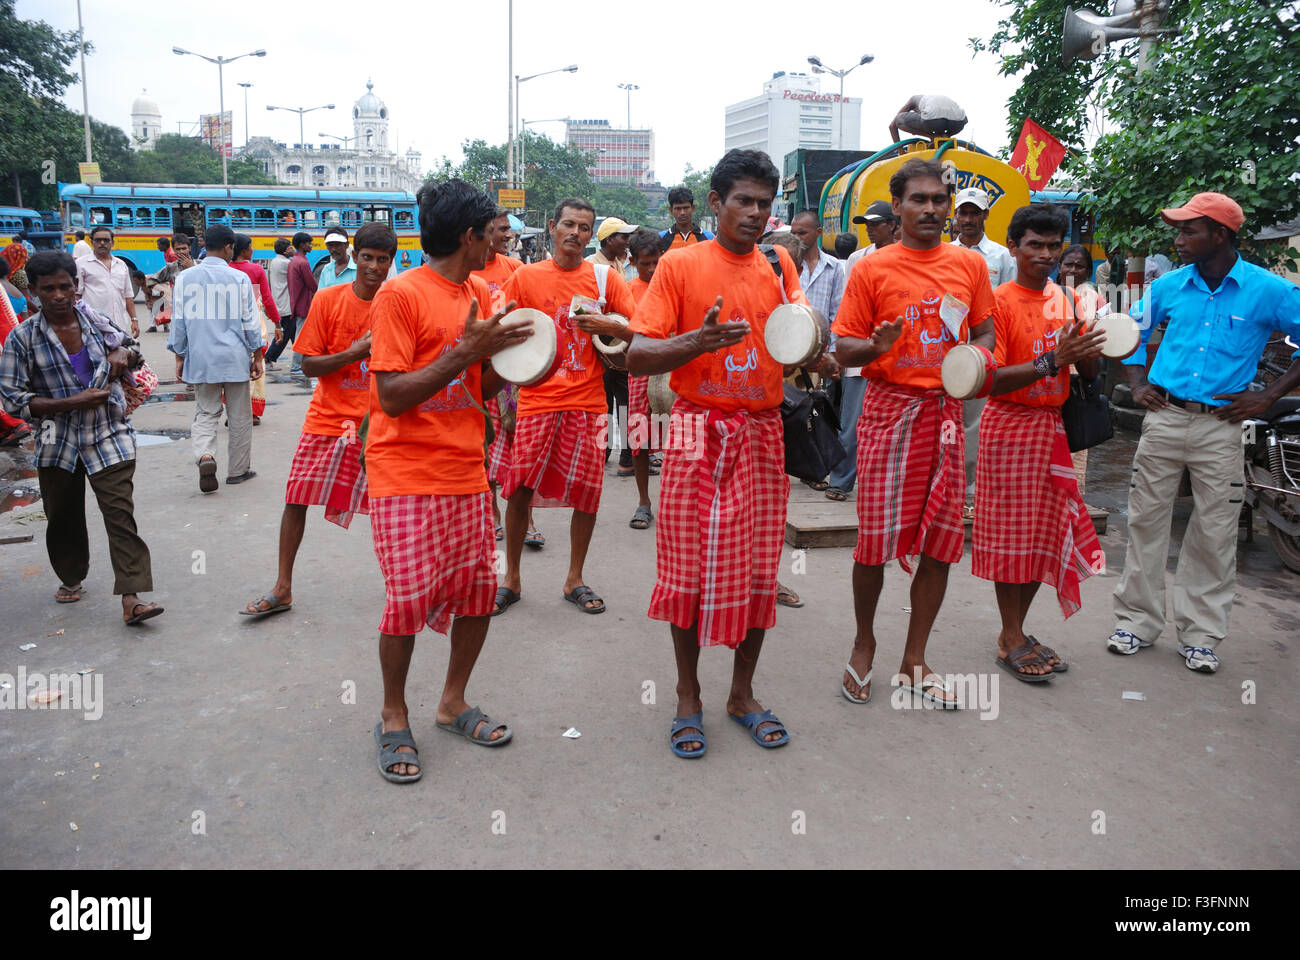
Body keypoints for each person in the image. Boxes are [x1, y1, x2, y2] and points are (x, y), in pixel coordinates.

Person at [627, 149, 805, 757]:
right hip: (693, 430)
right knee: (687, 571)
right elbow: (637, 356)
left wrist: (823, 346)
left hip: (760, 432)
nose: (755, 214)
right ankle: (686, 696)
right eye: (743, 201)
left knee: (758, 570)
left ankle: (742, 694)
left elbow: (800, 339)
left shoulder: (781, 266)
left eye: (764, 203)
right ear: (715, 203)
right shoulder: (678, 267)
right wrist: (695, 342)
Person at [365, 179, 533, 782]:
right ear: (470, 235)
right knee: (407, 600)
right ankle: (392, 713)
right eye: (491, 232)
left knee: (477, 596)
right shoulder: (400, 295)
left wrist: (520, 363)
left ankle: (452, 701)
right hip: (404, 473)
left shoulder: (484, 291)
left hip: (467, 471)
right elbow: (389, 397)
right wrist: (466, 351)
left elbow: (479, 388)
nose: (498, 243)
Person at [1110, 192, 1300, 673]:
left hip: (1223, 425)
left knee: (1214, 531)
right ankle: (1136, 622)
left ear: (1219, 234)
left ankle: (1200, 635)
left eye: (1187, 231)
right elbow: (1130, 333)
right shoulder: (1170, 286)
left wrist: (1267, 397)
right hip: (1165, 419)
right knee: (1145, 522)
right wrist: (1136, 383)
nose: (1178, 240)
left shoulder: (1268, 290)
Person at [832, 157, 996, 708]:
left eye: (938, 200)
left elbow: (986, 329)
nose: (930, 209)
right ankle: (863, 644)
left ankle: (915, 659)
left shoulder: (969, 266)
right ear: (897, 205)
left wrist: (975, 360)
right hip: (888, 412)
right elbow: (843, 347)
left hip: (946, 416)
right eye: (919, 200)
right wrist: (877, 347)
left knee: (943, 545)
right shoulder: (872, 269)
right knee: (874, 543)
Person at [974, 204, 1108, 681]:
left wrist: (1090, 342)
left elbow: (1089, 371)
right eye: (1036, 244)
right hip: (1008, 427)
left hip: (1051, 428)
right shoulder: (996, 302)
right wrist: (1056, 358)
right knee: (1011, 534)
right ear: (1013, 247)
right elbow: (989, 381)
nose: (1047, 254)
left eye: (1055, 246)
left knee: (1045, 533)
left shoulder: (1069, 300)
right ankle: (1010, 635)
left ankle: (1018, 628)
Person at [240, 224, 396, 619]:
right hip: (328, 419)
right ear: (353, 257)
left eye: (383, 259)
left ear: (391, 262)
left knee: (393, 508)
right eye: (368, 257)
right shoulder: (328, 300)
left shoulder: (399, 304)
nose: (374, 267)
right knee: (296, 498)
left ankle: (402, 589)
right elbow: (308, 364)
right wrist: (356, 351)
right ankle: (283, 587)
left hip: (382, 423)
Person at [0, 251, 163, 625]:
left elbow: (133, 352)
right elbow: (13, 399)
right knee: (64, 516)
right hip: (57, 441)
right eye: (48, 289)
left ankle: (132, 598)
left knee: (120, 515)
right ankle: (71, 576)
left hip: (108, 432)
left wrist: (124, 353)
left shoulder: (95, 322)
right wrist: (72, 401)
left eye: (64, 286)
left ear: (76, 286)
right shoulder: (23, 338)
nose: (58, 295)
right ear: (35, 293)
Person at [494, 198, 637, 617]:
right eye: (568, 225)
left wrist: (607, 325)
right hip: (536, 400)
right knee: (520, 489)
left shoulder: (606, 279)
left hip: (588, 402)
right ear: (553, 227)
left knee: (587, 494)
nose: (575, 233)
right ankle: (512, 578)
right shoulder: (525, 277)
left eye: (584, 227)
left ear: (591, 235)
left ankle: (574, 577)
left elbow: (640, 328)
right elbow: (499, 327)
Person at [167, 223, 264, 491]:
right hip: (234, 357)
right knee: (240, 415)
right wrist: (257, 354)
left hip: (201, 356)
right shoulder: (239, 279)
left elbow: (179, 321)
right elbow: (251, 322)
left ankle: (205, 455)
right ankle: (238, 470)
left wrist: (179, 354)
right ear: (228, 247)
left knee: (206, 412)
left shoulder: (186, 278)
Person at [473, 209, 541, 546]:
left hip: (513, 373)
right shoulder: (466, 272)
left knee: (520, 449)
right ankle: (493, 516)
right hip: (479, 371)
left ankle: (526, 520)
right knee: (486, 448)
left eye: (508, 230)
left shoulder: (515, 268)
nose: (507, 236)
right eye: (501, 230)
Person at [951, 186, 1016, 517]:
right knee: (946, 420)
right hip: (947, 349)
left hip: (983, 348)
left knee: (975, 422)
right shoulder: (945, 253)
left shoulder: (1002, 256)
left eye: (974, 212)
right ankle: (945, 489)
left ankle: (971, 494)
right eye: (963, 212)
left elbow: (1006, 304)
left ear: (985, 216)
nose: (967, 219)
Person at [790, 210, 856, 504]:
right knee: (792, 410)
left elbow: (838, 311)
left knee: (817, 412)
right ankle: (797, 466)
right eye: (793, 233)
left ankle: (816, 468)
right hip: (789, 352)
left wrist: (832, 354)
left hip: (820, 352)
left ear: (818, 233)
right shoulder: (788, 267)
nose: (797, 238)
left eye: (802, 233)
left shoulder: (835, 268)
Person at [1057, 243, 1111, 493]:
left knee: (1076, 440)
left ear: (1089, 271)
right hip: (1048, 376)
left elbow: (1108, 336)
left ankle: (1073, 495)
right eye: (1068, 263)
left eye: (1080, 266)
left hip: (1079, 382)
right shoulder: (1047, 294)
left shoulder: (1097, 300)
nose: (1073, 269)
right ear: (1059, 267)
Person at [624, 227, 665, 532]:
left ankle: (679, 502)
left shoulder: (675, 285)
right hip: (639, 372)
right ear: (633, 260)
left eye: (656, 262)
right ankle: (644, 501)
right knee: (640, 438)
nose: (651, 269)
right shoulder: (627, 290)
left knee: (684, 437)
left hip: (674, 368)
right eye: (645, 263)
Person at [229, 234, 283, 425]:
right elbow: (267, 300)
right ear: (244, 250)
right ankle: (251, 413)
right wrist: (277, 324)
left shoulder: (226, 269)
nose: (252, 250)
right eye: (250, 247)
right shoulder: (255, 269)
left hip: (229, 326)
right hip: (253, 324)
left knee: (232, 369)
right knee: (255, 370)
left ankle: (232, 413)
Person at [75, 226, 139, 338]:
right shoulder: (81, 264)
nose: (102, 243)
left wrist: (134, 320)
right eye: (98, 240)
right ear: (91, 242)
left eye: (106, 240)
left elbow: (128, 296)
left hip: (119, 326)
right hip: (93, 327)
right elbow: (77, 296)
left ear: (112, 243)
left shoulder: (121, 265)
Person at [268, 231, 315, 376]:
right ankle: (281, 361)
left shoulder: (281, 261)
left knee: (295, 333)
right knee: (293, 333)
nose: (291, 250)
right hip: (291, 303)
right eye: (289, 248)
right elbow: (311, 284)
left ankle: (302, 361)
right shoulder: (295, 262)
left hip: (286, 302)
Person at [889, 94, 968, 141]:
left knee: (898, 119)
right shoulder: (930, 100)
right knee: (938, 124)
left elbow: (892, 125)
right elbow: (965, 120)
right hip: (959, 122)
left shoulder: (913, 100)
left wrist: (901, 152)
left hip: (933, 120)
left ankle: (933, 137)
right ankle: (945, 136)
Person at [846, 201, 898, 269]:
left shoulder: (906, 257)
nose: (868, 229)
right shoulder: (857, 259)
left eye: (874, 224)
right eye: (867, 225)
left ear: (891, 225)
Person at [266, 237, 293, 323]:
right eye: (290, 248)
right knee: (286, 333)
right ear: (285, 251)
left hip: (277, 302)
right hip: (286, 305)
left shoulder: (273, 261)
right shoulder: (287, 263)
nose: (293, 249)